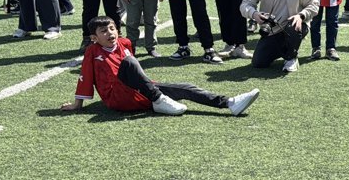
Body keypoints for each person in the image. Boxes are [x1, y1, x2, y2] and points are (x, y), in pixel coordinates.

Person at [61, 16, 259, 116]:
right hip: (117, 99)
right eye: (104, 31)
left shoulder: (125, 43)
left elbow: (136, 75)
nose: (110, 33)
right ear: (94, 38)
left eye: (112, 28)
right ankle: (158, 98)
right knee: (130, 62)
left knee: (185, 87)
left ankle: (230, 103)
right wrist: (77, 105)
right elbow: (85, 78)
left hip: (139, 92)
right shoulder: (92, 52)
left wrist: (148, 86)